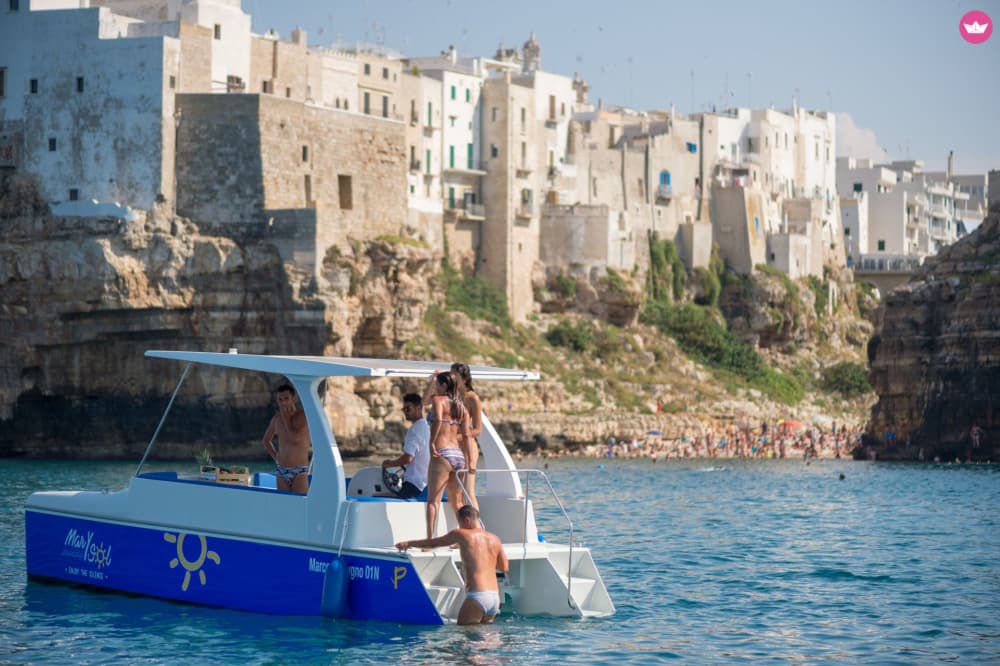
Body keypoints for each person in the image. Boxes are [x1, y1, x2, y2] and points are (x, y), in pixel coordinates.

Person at [396, 505, 509, 625]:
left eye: (459, 523)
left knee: (467, 637)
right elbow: (504, 567)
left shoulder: (462, 534)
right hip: (494, 598)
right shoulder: (495, 539)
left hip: (477, 596)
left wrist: (408, 543)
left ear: (467, 520)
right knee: (486, 640)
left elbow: (433, 543)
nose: (460, 527)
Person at [424, 370, 469, 539]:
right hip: (458, 454)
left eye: (437, 384)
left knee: (433, 501)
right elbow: (465, 434)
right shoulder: (461, 407)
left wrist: (431, 443)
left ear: (443, 385)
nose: (435, 388)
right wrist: (469, 461)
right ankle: (463, 538)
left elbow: (436, 420)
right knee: (457, 502)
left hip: (441, 452)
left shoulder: (438, 400)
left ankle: (430, 540)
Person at [261, 383, 311, 493]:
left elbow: (295, 439)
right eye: (280, 399)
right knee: (284, 506)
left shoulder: (303, 416)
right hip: (282, 471)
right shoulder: (276, 419)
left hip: (300, 471)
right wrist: (276, 457)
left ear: (294, 398)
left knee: (300, 505)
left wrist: (286, 418)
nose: (283, 402)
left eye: (286, 398)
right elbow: (266, 440)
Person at [381, 393, 430, 499]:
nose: (405, 412)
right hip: (427, 484)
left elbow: (408, 458)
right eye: (404, 409)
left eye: (408, 409)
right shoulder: (428, 427)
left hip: (414, 485)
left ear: (419, 408)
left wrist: (390, 464)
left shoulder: (414, 429)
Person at [452, 362, 483, 511]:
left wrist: (458, 437)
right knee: (456, 492)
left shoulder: (472, 398)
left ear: (463, 378)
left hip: (467, 446)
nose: (451, 378)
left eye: (454, 375)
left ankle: (478, 528)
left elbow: (478, 429)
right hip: (452, 447)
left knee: (468, 491)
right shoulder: (451, 396)